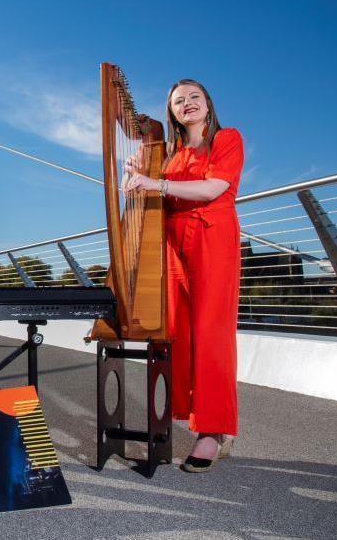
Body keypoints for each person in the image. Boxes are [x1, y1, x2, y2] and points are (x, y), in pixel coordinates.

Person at [123, 79, 243, 473]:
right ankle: (191, 417)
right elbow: (150, 189)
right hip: (173, 245)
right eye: (179, 101)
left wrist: (155, 182)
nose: (188, 104)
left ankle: (213, 432)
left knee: (211, 334)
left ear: (208, 103)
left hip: (211, 239)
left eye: (194, 97)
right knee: (181, 333)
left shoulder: (227, 138)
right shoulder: (169, 152)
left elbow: (213, 188)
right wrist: (135, 172)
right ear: (172, 112)